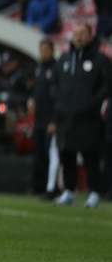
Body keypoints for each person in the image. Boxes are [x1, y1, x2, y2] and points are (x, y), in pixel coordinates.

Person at [53, 23, 111, 208]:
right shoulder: (63, 59)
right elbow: (55, 85)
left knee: (90, 156)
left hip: (89, 118)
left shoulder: (100, 60)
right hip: (66, 116)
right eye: (76, 33)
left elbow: (107, 86)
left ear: (90, 36)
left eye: (82, 34)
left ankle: (94, 192)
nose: (78, 37)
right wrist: (60, 106)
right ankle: (69, 191)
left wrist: (92, 104)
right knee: (66, 154)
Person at [29, 39, 58, 198]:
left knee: (50, 155)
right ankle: (39, 186)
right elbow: (37, 90)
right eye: (41, 50)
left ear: (52, 50)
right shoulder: (39, 68)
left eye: (45, 49)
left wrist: (55, 120)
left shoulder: (56, 68)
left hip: (50, 120)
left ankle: (52, 187)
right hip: (39, 119)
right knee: (39, 153)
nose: (43, 53)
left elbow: (57, 97)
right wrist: (32, 100)